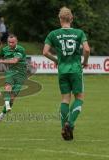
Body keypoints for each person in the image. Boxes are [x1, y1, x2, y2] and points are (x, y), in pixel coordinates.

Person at [43, 7, 90, 141]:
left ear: (60, 19)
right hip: (75, 69)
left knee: (65, 99)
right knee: (79, 98)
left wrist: (56, 60)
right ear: (72, 19)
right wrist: (85, 61)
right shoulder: (79, 33)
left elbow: (45, 52)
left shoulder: (53, 34)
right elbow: (86, 49)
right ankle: (70, 123)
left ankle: (64, 127)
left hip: (62, 70)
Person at [0, 34, 27, 123]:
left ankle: (1, 115)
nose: (10, 44)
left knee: (12, 97)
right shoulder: (5, 49)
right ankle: (7, 104)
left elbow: (15, 61)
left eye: (12, 42)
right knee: (7, 86)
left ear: (16, 42)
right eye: (9, 42)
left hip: (21, 75)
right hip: (10, 72)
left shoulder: (20, 49)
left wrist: (2, 61)